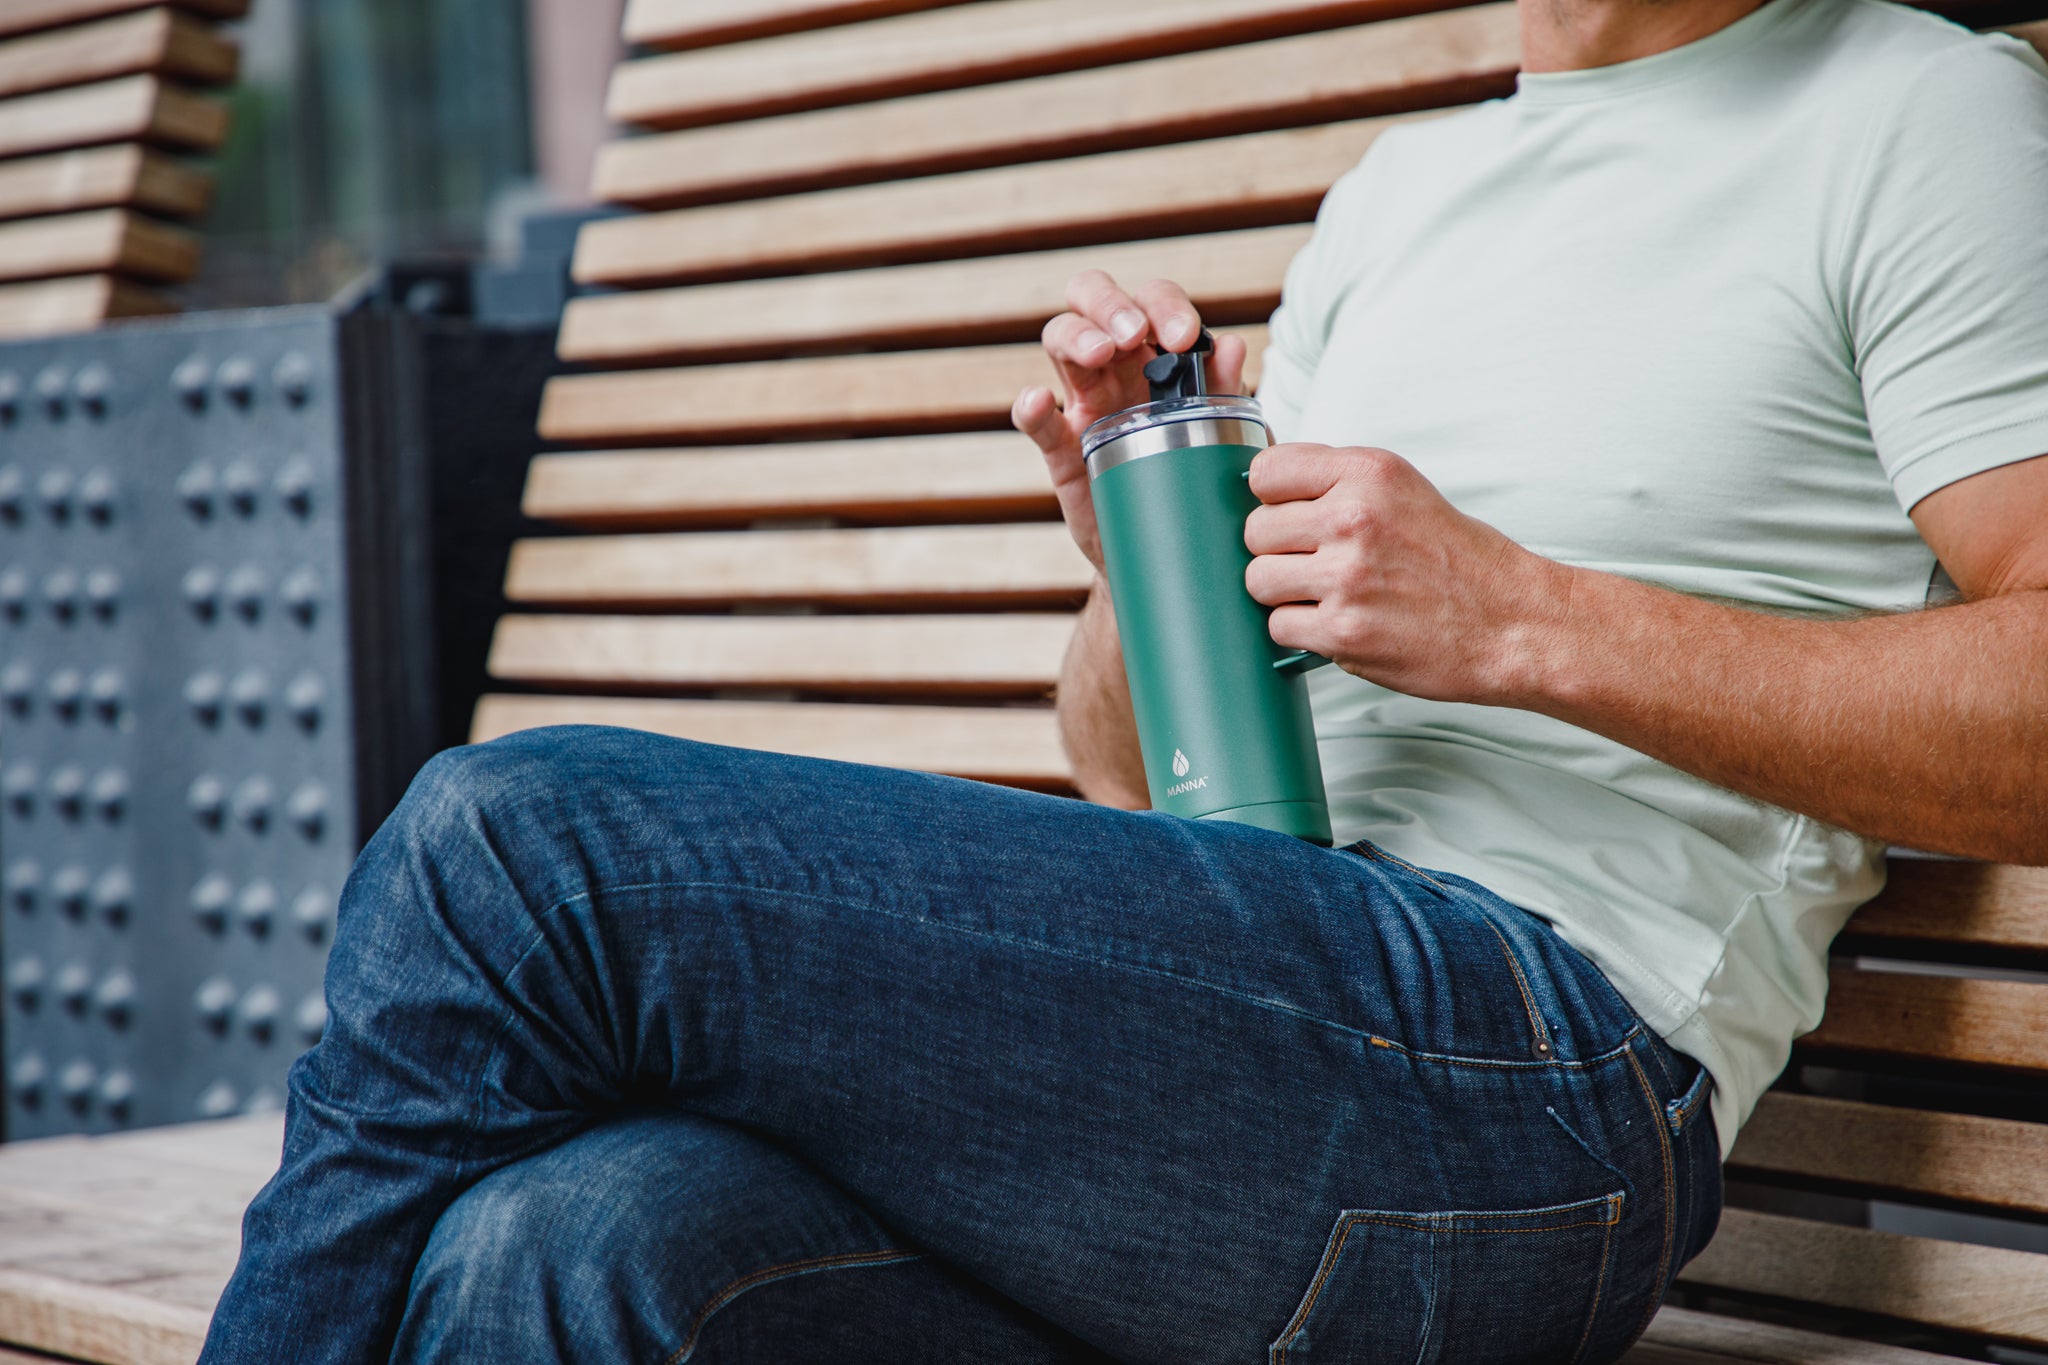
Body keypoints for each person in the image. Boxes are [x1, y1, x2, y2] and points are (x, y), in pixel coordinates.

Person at [198, 0, 2048, 1356]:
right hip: (1264, 1054)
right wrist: (1139, 558)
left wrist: (1519, 618)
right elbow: (1126, 772)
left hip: (1539, 1084)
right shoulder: (1405, 197)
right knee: (575, 1244)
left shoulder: (1920, 114)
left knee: (519, 851)